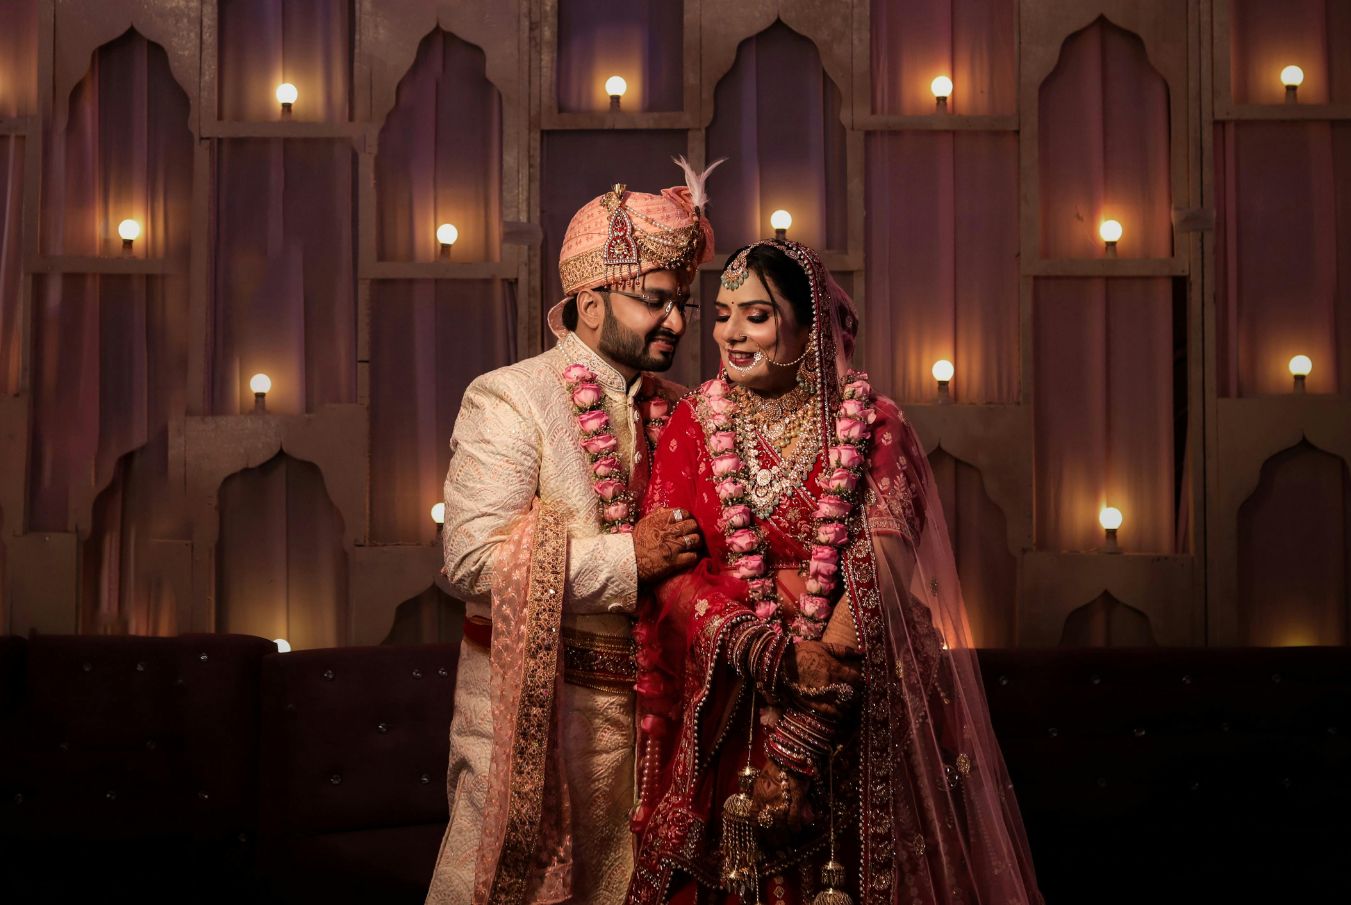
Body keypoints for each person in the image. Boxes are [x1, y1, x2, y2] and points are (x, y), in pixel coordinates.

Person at [627, 240, 1043, 905]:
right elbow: (670, 569)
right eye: (723, 314)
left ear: (809, 325)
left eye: (756, 315)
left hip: (855, 692)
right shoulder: (691, 424)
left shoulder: (873, 425)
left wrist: (805, 732)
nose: (730, 334)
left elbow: (880, 569)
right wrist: (761, 650)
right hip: (734, 687)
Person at [425, 158, 723, 905]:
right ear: (590, 303)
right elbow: (472, 558)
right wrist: (630, 557)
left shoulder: (688, 410)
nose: (677, 321)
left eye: (683, 302)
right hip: (540, 720)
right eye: (655, 300)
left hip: (660, 729)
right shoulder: (511, 398)